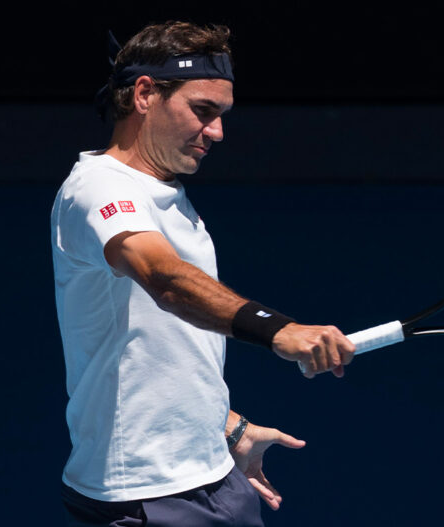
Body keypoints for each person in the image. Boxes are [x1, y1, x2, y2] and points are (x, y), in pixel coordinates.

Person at [50, 20, 356, 526]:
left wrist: (230, 428)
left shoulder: (168, 195)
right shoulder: (98, 188)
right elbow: (166, 280)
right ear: (145, 94)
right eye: (203, 110)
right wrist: (279, 329)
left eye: (222, 115)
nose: (217, 132)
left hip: (216, 476)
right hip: (144, 496)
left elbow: (159, 350)